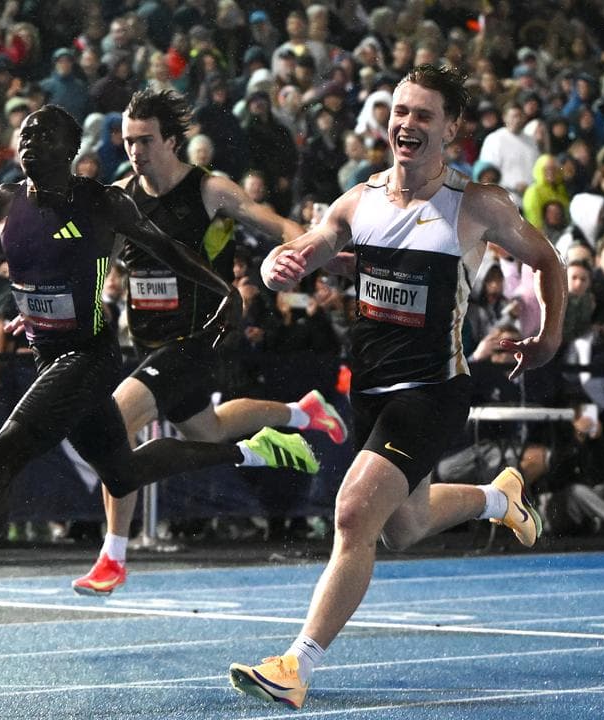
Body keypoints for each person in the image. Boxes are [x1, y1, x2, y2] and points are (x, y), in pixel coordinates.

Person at [0, 105, 320, 645]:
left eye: (43, 134)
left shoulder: (103, 203)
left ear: (71, 149)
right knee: (122, 472)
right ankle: (253, 450)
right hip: (48, 357)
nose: (29, 141)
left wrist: (225, 293)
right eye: (24, 133)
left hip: (89, 356)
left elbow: (167, 248)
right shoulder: (4, 201)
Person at [228, 65, 566, 710]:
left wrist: (548, 338)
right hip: (373, 390)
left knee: (354, 512)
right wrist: (279, 264)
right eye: (400, 112)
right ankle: (499, 498)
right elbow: (312, 246)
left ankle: (296, 665)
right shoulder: (361, 200)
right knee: (402, 528)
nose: (406, 125)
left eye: (423, 115)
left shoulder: (478, 205)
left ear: (452, 129)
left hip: (434, 389)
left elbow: (547, 259)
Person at [69, 88, 349, 597]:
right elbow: (95, 260)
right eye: (128, 141)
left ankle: (114, 555)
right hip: (148, 343)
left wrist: (319, 250)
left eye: (145, 140)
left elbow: (274, 224)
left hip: (198, 338)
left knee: (114, 424)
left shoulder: (209, 189)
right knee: (209, 428)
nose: (135, 150)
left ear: (172, 141)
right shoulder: (121, 197)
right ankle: (301, 414)